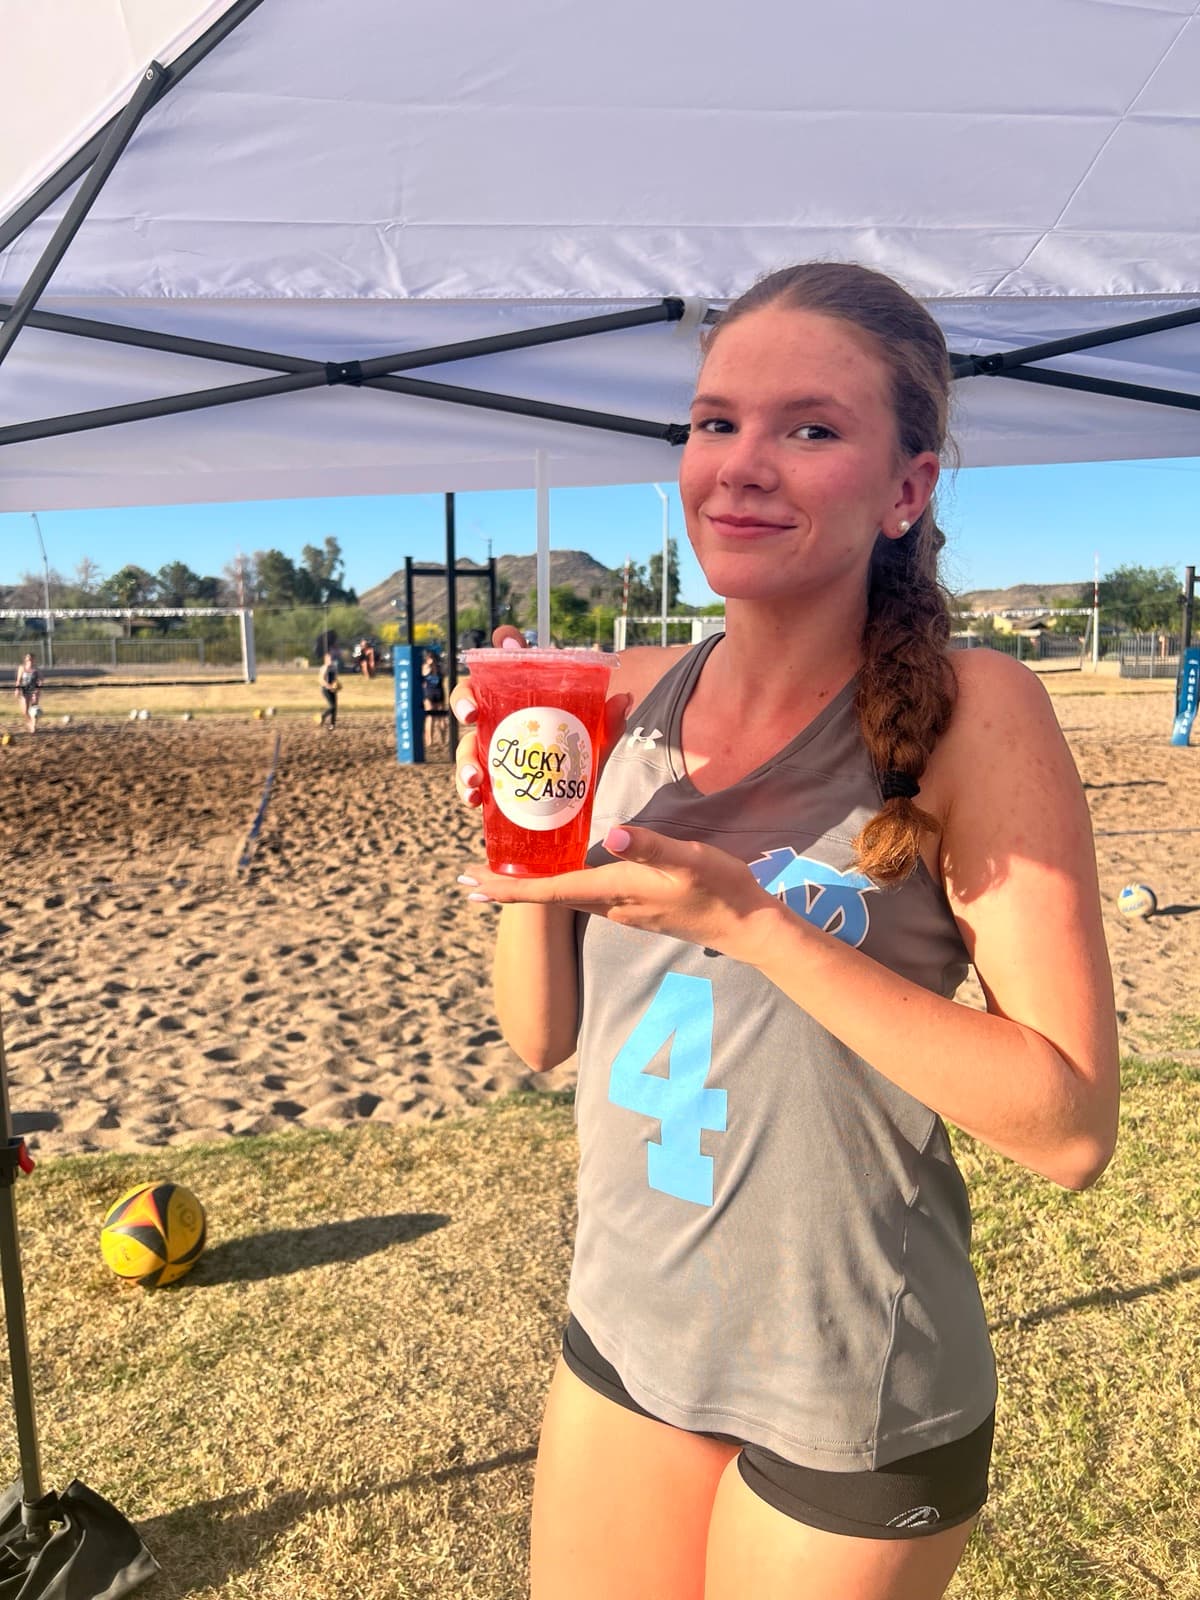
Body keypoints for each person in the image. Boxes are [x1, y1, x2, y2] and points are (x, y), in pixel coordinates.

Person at [451, 262, 1119, 1600]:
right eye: (715, 423)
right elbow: (540, 1040)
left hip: (846, 1375)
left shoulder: (975, 712)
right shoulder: (617, 699)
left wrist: (752, 923)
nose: (742, 466)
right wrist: (519, 859)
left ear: (906, 488)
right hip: (628, 1331)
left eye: (809, 429)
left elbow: (1071, 1131)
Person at [421, 648, 447, 745]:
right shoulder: (429, 667)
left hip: (435, 692)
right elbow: (424, 675)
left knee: (439, 718)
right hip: (433, 693)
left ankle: (439, 740)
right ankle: (434, 741)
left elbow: (442, 676)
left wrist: (432, 667)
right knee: (433, 717)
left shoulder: (435, 667)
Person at [13, 653, 43, 733]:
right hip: (24, 691)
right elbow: (18, 680)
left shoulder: (36, 669)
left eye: (31, 658)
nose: (29, 660)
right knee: (25, 711)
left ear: (33, 659)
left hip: (34, 691)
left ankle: (33, 725)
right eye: (28, 658)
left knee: (34, 709)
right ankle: (30, 722)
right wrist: (17, 689)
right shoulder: (22, 668)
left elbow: (40, 680)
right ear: (25, 659)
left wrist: (38, 690)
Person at [317, 649, 340, 729]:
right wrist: (329, 686)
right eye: (329, 658)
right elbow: (321, 680)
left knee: (335, 707)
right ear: (326, 660)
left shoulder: (334, 667)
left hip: (332, 689)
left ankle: (332, 724)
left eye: (332, 658)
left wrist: (336, 685)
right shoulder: (324, 668)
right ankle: (322, 716)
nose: (331, 660)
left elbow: (335, 678)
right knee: (332, 706)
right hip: (325, 689)